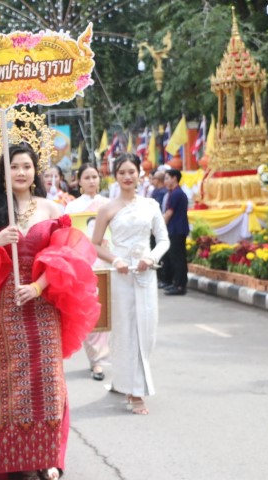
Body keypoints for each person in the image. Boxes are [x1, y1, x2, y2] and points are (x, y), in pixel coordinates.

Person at [0, 143, 100, 479]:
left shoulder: (51, 208)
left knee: (48, 379)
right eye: (14, 166)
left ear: (35, 170)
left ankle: (47, 457)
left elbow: (66, 257)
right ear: (5, 173)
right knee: (11, 379)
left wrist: (38, 287)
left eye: (27, 166)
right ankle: (11, 456)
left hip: (43, 302)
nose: (21, 172)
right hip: (8, 304)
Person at [91, 153, 170, 415]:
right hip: (121, 275)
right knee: (125, 331)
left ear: (139, 174)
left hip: (146, 274)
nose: (127, 176)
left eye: (131, 171)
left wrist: (151, 257)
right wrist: (115, 260)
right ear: (115, 176)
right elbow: (94, 244)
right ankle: (135, 392)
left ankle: (124, 380)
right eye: (122, 172)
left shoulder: (151, 205)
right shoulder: (107, 209)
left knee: (146, 330)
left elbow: (163, 240)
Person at [65, 163, 110, 381]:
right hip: (83, 267)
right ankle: (96, 359)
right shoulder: (72, 208)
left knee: (108, 312)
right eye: (87, 177)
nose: (92, 181)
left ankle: (105, 358)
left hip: (107, 264)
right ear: (79, 181)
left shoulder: (109, 204)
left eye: (95, 176)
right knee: (90, 313)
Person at [162, 169, 189, 295]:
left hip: (176, 230)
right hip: (177, 229)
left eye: (167, 178)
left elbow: (168, 213)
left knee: (177, 258)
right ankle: (176, 283)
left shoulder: (176, 194)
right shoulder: (175, 193)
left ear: (174, 178)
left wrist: (159, 227)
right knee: (176, 257)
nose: (165, 181)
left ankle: (179, 285)